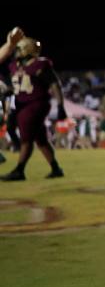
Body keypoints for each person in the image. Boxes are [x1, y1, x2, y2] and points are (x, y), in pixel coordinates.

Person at [0, 28, 67, 181]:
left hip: (36, 103)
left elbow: (55, 85)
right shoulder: (15, 66)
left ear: (26, 49)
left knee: (26, 138)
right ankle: (56, 168)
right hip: (22, 104)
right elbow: (18, 88)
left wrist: (61, 105)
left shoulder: (40, 64)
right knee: (40, 139)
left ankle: (19, 170)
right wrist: (8, 95)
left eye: (19, 49)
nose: (16, 52)